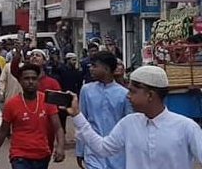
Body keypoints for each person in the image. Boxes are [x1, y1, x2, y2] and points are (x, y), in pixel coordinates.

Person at [68, 65, 202, 169]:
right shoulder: (128, 123)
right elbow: (103, 148)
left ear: (150, 95)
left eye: (132, 91)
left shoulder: (186, 127)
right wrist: (77, 115)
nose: (127, 96)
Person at [0, 63, 65, 169]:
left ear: (38, 81)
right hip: (19, 156)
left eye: (34, 78)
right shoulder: (11, 104)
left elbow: (58, 127)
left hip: (42, 155)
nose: (30, 82)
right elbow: (3, 131)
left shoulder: (47, 101)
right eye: (26, 79)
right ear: (20, 81)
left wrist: (60, 147)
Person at [74, 51, 132, 169]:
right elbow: (82, 121)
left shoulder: (124, 94)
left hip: (117, 153)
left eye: (94, 66)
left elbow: (129, 125)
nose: (90, 69)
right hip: (92, 151)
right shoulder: (86, 90)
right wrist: (80, 150)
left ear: (106, 68)